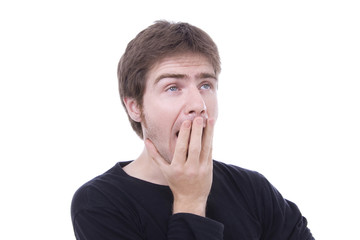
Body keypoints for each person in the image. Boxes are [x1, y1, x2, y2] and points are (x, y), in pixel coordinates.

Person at [71, 20, 314, 240]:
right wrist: (190, 201)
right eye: (173, 87)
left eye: (206, 85)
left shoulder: (253, 189)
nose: (198, 104)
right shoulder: (99, 204)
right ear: (135, 106)